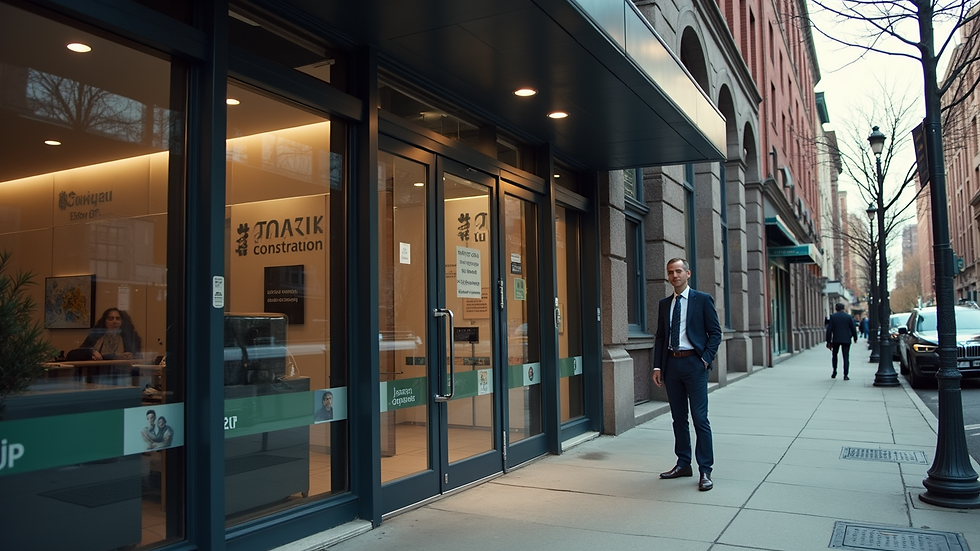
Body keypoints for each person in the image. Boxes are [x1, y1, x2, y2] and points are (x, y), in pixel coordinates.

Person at [652, 258, 722, 492]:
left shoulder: (702, 300)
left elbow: (715, 332)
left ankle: (705, 470)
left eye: (678, 271)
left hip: (694, 364)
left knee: (700, 419)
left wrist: (705, 359)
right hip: (671, 366)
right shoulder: (664, 304)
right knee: (678, 418)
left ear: (688, 273)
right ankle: (683, 464)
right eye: (670, 272)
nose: (675, 276)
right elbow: (660, 337)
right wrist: (657, 367)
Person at [69, 307, 143, 361]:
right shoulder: (96, 337)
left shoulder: (128, 339)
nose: (115, 321)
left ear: (122, 321)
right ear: (105, 321)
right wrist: (91, 352)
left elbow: (137, 358)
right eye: (110, 319)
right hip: (97, 375)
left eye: (118, 318)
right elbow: (72, 355)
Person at [827, 303, 858, 380]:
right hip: (846, 339)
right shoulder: (848, 317)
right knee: (846, 357)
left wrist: (828, 341)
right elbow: (853, 328)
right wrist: (855, 337)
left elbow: (829, 330)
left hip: (836, 339)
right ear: (843, 308)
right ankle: (846, 374)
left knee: (834, 355)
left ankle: (834, 371)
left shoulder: (833, 317)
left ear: (836, 308)